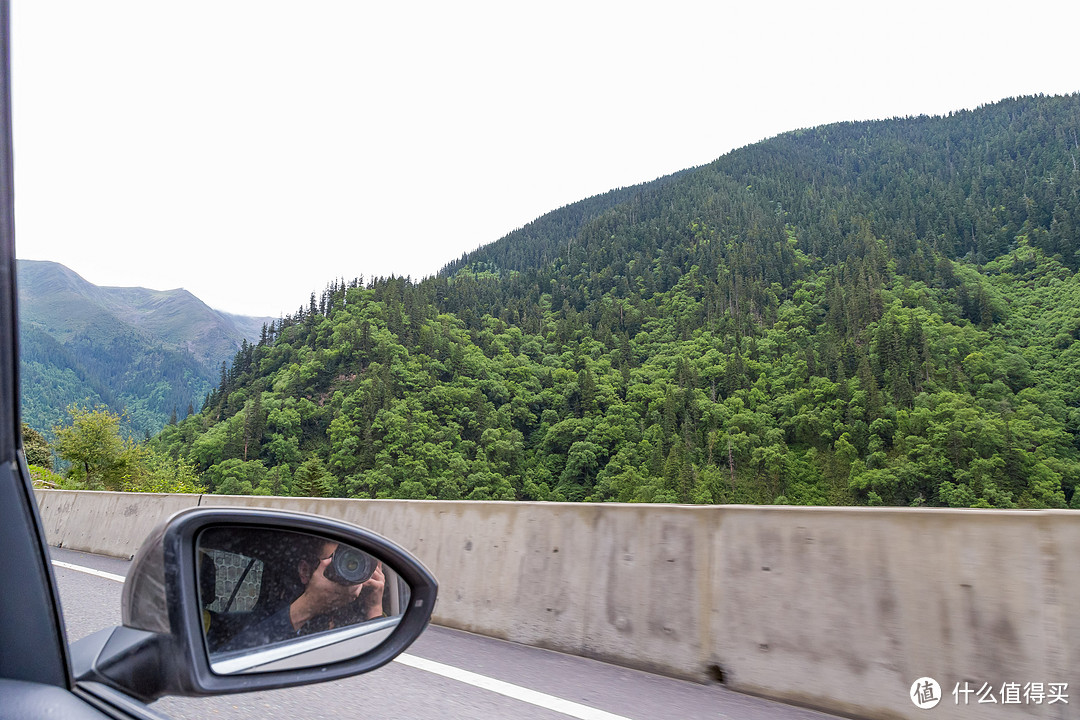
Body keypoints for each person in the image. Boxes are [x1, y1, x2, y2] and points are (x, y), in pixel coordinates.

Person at [217, 537, 385, 653]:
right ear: (305, 571)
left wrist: (374, 608)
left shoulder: (360, 614)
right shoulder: (269, 615)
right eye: (336, 562)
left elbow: (380, 665)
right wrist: (307, 607)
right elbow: (232, 657)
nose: (348, 572)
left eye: (355, 565)